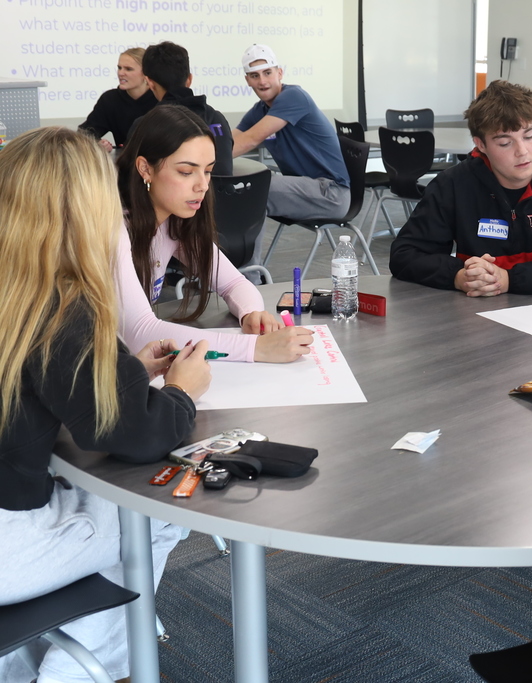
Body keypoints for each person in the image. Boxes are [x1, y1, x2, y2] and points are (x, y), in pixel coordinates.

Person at [0, 126, 211, 683]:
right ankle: (80, 673)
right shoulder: (61, 303)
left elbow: (37, 384)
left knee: (102, 516)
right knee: (157, 511)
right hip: (8, 549)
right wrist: (183, 391)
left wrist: (127, 370)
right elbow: (135, 433)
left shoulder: (14, 288)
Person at [116, 105, 313, 363]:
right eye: (186, 172)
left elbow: (234, 282)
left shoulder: (173, 220)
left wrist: (251, 313)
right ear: (145, 169)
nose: (203, 185)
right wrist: (256, 348)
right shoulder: (112, 227)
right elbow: (140, 332)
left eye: (208, 170)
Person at [389, 80, 532, 295]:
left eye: (529, 135)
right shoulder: (453, 184)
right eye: (505, 143)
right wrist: (457, 276)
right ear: (481, 144)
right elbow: (404, 255)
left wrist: (508, 279)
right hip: (477, 316)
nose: (522, 151)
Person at [232, 43, 351, 222]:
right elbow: (231, 140)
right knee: (240, 191)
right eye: (254, 76)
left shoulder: (293, 96)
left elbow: (250, 139)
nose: (262, 81)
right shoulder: (259, 110)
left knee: (254, 188)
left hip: (331, 193)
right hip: (306, 189)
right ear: (247, 80)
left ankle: (236, 251)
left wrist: (204, 163)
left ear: (279, 73)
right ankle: (229, 250)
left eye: (267, 73)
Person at [140, 41, 234, 176]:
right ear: (189, 79)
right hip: (226, 197)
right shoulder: (217, 118)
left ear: (149, 82)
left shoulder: (146, 125)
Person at [79, 47, 158, 152]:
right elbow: (85, 133)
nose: (121, 73)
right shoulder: (110, 99)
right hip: (124, 164)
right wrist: (97, 144)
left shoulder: (160, 98)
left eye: (128, 69)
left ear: (146, 73)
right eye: (119, 68)